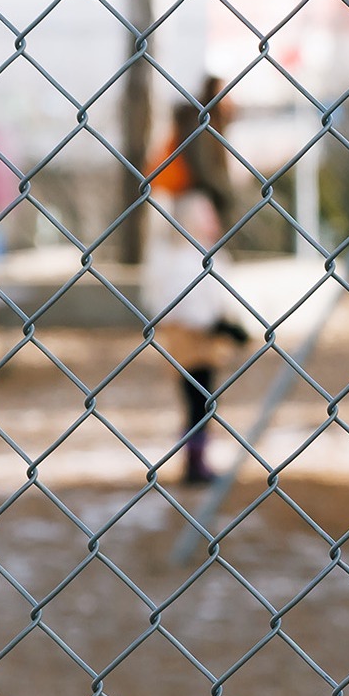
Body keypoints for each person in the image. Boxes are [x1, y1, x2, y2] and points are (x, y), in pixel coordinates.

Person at [143, 75, 252, 486]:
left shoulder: (200, 251)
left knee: (201, 402)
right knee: (197, 402)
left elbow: (213, 288)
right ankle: (194, 463)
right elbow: (188, 296)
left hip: (199, 334)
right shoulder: (182, 253)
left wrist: (225, 320)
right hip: (192, 336)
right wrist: (219, 323)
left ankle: (196, 460)